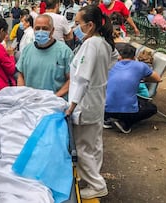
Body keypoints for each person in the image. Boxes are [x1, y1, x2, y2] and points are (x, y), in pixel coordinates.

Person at [65, 5, 118, 199]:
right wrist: (100, 75)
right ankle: (92, 178)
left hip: (85, 103)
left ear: (89, 25)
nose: (75, 27)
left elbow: (82, 79)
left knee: (82, 147)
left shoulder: (91, 45)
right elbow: (115, 58)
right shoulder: (103, 43)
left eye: (78, 23)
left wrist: (71, 106)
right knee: (94, 145)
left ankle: (96, 184)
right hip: (96, 101)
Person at [104, 44, 161, 133]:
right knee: (152, 108)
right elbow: (158, 79)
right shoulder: (140, 66)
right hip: (127, 112)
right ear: (134, 57)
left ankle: (107, 119)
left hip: (106, 108)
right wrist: (143, 77)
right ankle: (125, 123)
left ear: (120, 56)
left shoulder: (111, 66)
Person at [17, 14, 73, 100]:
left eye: (45, 28)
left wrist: (55, 97)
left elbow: (71, 80)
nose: (41, 31)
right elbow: (21, 75)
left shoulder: (64, 52)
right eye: (37, 28)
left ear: (52, 30)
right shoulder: (27, 50)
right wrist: (23, 94)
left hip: (55, 104)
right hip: (30, 102)